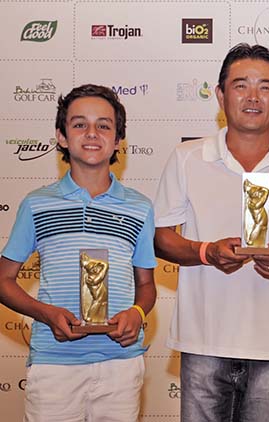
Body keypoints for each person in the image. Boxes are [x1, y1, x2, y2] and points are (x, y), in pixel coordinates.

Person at [153, 43, 269, 422]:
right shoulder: (188, 158)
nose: (253, 97)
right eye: (240, 85)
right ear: (220, 94)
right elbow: (162, 237)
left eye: (265, 87)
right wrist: (207, 252)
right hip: (203, 341)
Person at [0, 84, 157, 421]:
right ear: (61, 136)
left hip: (121, 364)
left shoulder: (140, 208)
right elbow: (4, 280)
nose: (92, 133)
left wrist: (138, 314)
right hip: (55, 364)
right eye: (79, 124)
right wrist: (46, 313)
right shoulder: (37, 204)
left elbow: (146, 285)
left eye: (104, 125)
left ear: (117, 141)